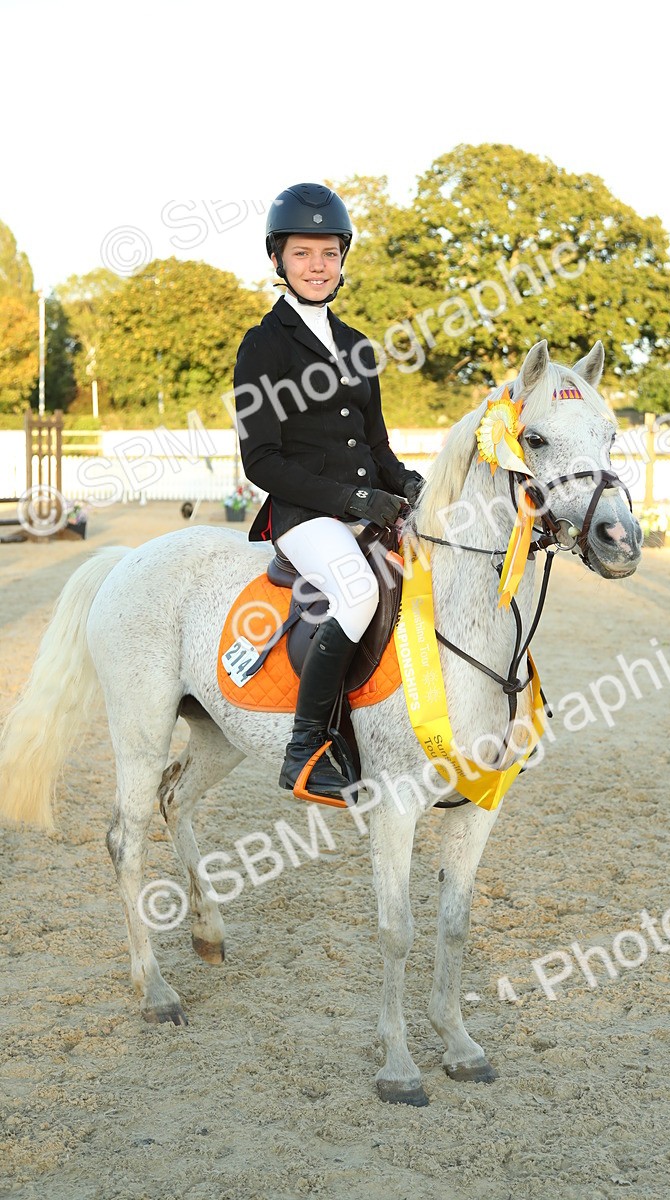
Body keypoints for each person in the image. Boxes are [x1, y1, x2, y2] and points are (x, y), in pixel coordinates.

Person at [232, 182, 424, 802]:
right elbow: (261, 461)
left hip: (367, 508)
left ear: (342, 259)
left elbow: (377, 448)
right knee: (359, 590)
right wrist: (352, 502)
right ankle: (306, 748)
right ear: (277, 259)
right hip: (305, 517)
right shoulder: (263, 345)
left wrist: (409, 483)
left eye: (329, 253)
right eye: (302, 253)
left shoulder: (358, 345)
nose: (317, 266)